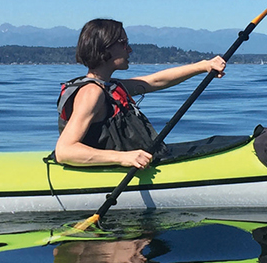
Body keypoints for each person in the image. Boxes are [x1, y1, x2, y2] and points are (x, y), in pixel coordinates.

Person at [54, 18, 226, 168]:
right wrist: (123, 158)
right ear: (106, 47)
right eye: (123, 43)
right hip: (116, 167)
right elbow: (65, 150)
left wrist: (203, 66)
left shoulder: (109, 86)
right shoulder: (91, 92)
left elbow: (155, 81)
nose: (129, 50)